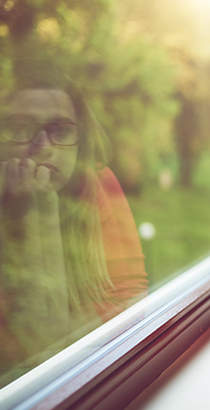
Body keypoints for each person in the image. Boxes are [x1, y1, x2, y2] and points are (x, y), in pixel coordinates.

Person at [0, 66, 147, 383]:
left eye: (60, 129)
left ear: (80, 139)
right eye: (21, 127)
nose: (41, 146)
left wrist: (44, 216)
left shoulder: (98, 186)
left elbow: (130, 308)